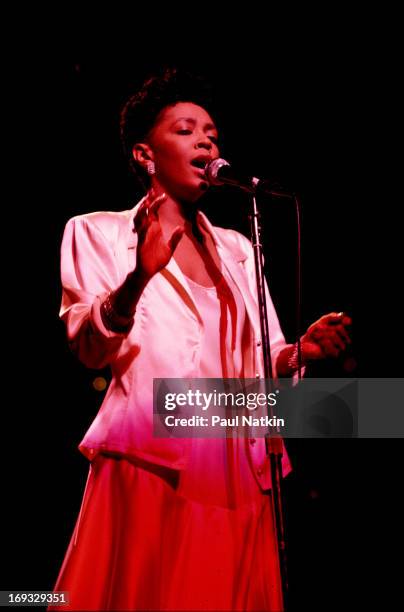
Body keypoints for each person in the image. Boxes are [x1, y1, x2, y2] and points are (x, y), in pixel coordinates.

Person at [49, 68, 351, 611]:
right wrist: (138, 277)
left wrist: (297, 354)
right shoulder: (97, 232)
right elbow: (89, 346)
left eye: (211, 131)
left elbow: (264, 360)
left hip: (240, 462)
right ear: (146, 154)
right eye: (186, 130)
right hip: (153, 460)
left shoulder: (239, 247)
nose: (207, 140)